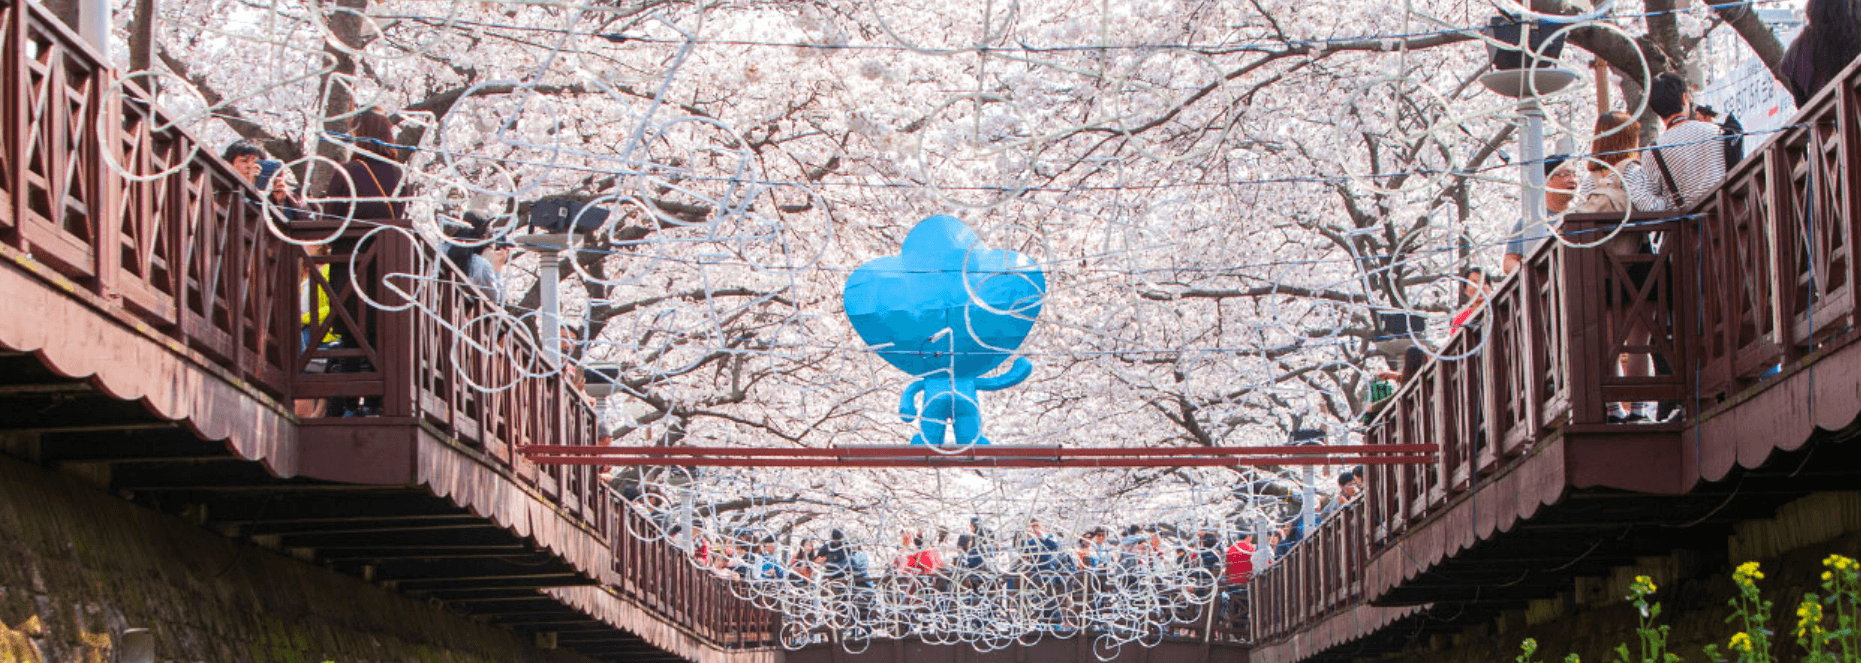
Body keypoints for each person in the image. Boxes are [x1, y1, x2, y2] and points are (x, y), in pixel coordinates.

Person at [1623, 73, 1726, 212]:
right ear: (1684, 98)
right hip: (1724, 219)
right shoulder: (1716, 132)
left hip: (1686, 229)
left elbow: (1652, 204)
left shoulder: (1653, 151)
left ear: (1656, 109)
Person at [321, 110, 406, 222]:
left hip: (351, 238)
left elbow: (330, 216)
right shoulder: (400, 173)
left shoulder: (348, 171)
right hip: (389, 237)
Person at [1779, 0, 1861, 107]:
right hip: (1849, 117)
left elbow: (1802, 105)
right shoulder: (1854, 35)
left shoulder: (1796, 53)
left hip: (1828, 120)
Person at [1449, 266, 1492, 334]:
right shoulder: (1460, 318)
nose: (1479, 286)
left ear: (1490, 288)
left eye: (1483, 282)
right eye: (1473, 282)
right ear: (1465, 290)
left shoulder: (1497, 308)